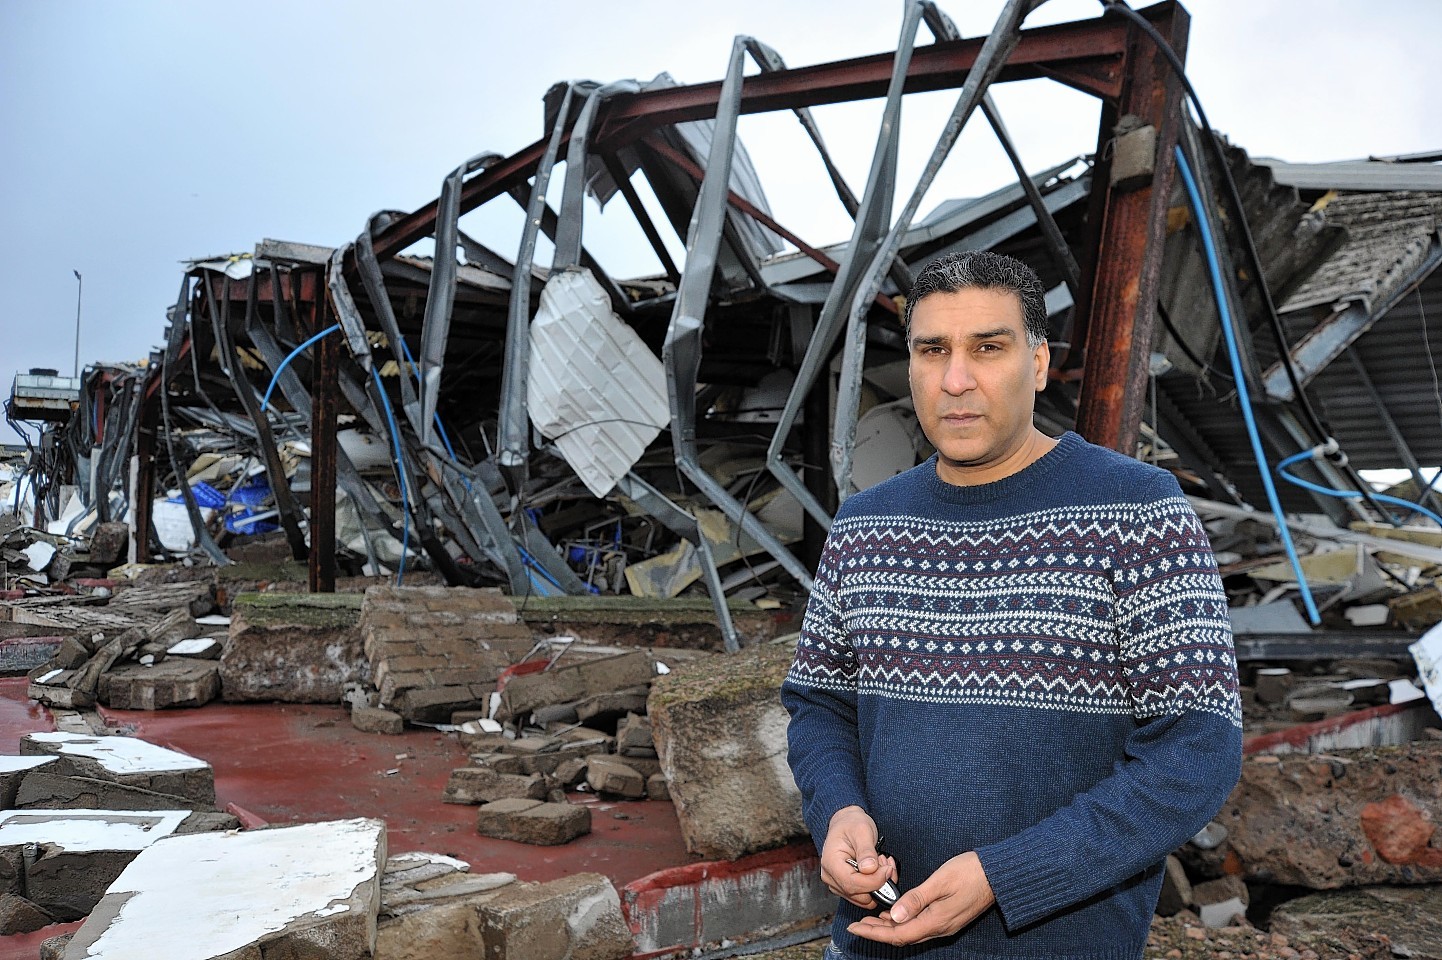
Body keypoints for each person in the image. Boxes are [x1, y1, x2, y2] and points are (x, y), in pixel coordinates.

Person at [782, 250, 1242, 960]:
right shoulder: (864, 524)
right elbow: (820, 704)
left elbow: (1197, 748)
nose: (956, 380)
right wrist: (837, 810)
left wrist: (1006, 875)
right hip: (874, 942)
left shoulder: (1136, 510)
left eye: (987, 348)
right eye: (932, 350)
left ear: (1037, 363)